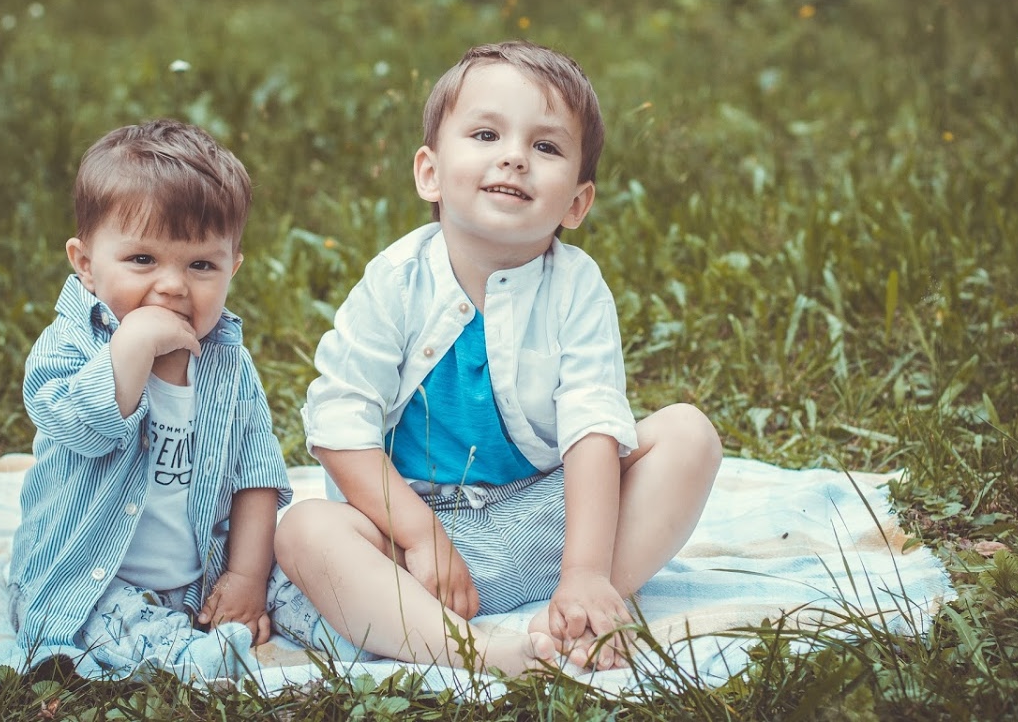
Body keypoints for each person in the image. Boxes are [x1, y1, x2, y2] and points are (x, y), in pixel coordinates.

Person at [270, 41, 722, 675]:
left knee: (687, 435)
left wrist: (586, 569)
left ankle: (578, 613)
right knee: (303, 530)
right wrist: (423, 536)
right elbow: (339, 424)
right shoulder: (395, 281)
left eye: (546, 147)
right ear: (429, 171)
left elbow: (592, 423)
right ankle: (479, 652)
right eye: (486, 133)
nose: (514, 156)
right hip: (404, 541)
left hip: (538, 517)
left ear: (576, 203)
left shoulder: (577, 286)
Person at [7, 119, 291, 681]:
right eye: (143, 260)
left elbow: (255, 475)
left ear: (233, 266)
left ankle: (342, 620)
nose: (173, 286)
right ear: (86, 264)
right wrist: (130, 349)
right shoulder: (70, 345)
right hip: (82, 575)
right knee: (103, 620)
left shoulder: (228, 363)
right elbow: (77, 426)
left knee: (296, 581)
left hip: (199, 575)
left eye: (201, 265)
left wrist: (245, 579)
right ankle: (183, 656)